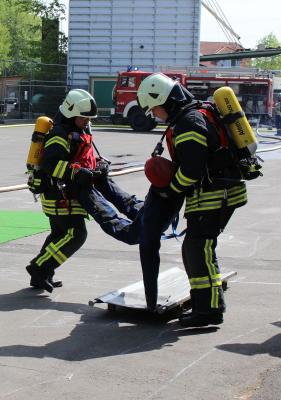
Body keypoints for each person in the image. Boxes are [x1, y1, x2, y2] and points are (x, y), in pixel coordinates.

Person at [137, 73, 248, 327]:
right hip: (220, 191)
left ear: (164, 100)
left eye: (154, 108)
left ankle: (207, 311)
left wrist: (170, 190)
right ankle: (208, 306)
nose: (155, 115)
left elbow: (191, 171)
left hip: (214, 195)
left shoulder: (188, 123)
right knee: (200, 249)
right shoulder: (192, 115)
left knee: (198, 249)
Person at [26, 89, 143, 292]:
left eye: (89, 118)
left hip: (67, 192)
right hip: (59, 195)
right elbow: (51, 165)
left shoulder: (79, 131)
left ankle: (43, 273)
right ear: (71, 113)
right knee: (76, 235)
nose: (87, 121)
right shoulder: (58, 135)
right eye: (84, 117)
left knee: (59, 234)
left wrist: (99, 164)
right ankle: (39, 268)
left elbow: (82, 157)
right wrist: (77, 174)